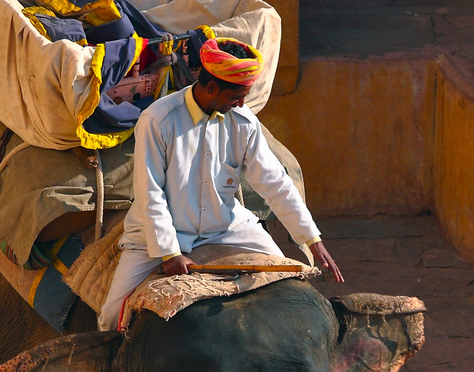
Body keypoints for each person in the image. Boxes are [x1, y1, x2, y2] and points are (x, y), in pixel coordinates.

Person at [98, 37, 343, 331]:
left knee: (285, 282)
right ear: (212, 87)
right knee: (112, 316)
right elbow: (151, 192)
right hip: (155, 239)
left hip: (228, 229)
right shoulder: (158, 120)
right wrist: (170, 252)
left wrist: (312, 240)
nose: (241, 103)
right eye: (236, 96)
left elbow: (275, 183)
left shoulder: (244, 122)